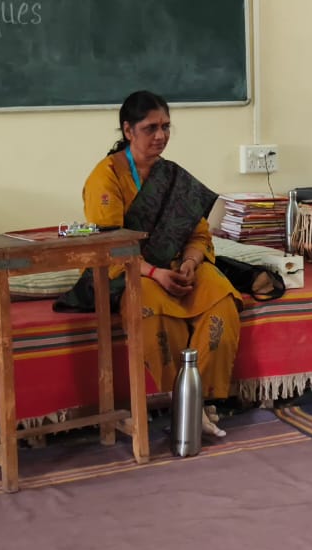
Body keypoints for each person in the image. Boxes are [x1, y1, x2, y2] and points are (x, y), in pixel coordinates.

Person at [74, 91, 239, 436]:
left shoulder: (173, 176)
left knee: (221, 296)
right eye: (151, 128)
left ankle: (198, 399)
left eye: (165, 127)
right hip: (129, 269)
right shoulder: (107, 177)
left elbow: (198, 233)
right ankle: (186, 405)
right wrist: (154, 272)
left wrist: (191, 262)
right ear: (128, 130)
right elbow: (110, 245)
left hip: (178, 264)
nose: (161, 135)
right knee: (152, 304)